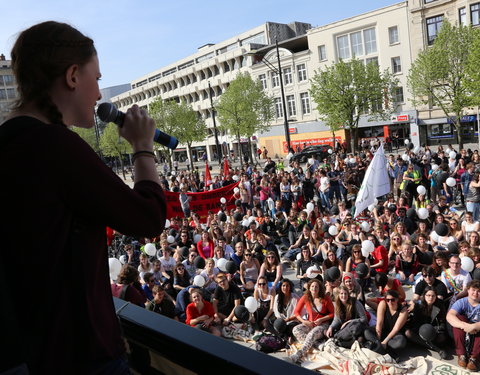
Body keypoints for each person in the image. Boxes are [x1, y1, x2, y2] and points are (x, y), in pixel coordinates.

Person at [0, 21, 166, 374]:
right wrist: (142, 147)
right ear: (73, 76)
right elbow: (148, 218)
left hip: (35, 352)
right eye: (98, 78)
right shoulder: (54, 146)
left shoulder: (8, 142)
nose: (99, 95)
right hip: (79, 354)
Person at [290, 279, 334, 364]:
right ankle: (316, 344)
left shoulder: (325, 298)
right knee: (295, 329)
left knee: (312, 334)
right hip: (310, 323)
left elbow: (333, 313)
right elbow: (296, 312)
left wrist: (322, 319)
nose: (314, 288)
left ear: (319, 288)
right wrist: (304, 321)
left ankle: (299, 354)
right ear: (309, 288)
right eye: (312, 286)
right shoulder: (306, 297)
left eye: (316, 286)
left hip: (323, 325)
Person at [364, 290, 408, 359]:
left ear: (397, 300)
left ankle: (378, 348)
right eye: (388, 300)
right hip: (383, 331)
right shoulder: (383, 303)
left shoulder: (403, 310)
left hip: (395, 334)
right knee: (367, 332)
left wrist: (384, 342)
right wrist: (379, 340)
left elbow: (396, 329)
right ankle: (386, 350)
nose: (390, 302)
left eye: (392, 300)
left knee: (400, 343)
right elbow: (379, 323)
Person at [405, 287, 447, 359]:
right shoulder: (418, 306)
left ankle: (423, 344)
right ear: (424, 296)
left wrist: (437, 329)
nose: (430, 298)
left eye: (433, 296)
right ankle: (436, 348)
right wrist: (424, 330)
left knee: (442, 338)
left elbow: (442, 322)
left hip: (434, 330)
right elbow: (416, 322)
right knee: (408, 333)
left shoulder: (440, 305)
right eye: (428, 295)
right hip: (422, 330)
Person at [447, 280, 480, 370]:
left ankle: (474, 358)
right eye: (473, 290)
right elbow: (450, 316)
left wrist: (473, 326)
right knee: (459, 318)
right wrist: (464, 325)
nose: (475, 293)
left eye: (479, 291)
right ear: (468, 290)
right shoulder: (461, 302)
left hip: (477, 330)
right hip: (464, 330)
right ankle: (461, 355)